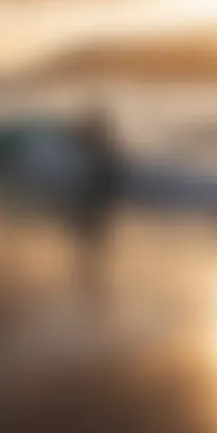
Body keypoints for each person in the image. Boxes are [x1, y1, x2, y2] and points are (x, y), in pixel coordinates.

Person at [69, 104, 125, 304]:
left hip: (99, 184)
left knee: (93, 224)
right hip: (100, 185)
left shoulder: (96, 135)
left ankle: (94, 244)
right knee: (95, 224)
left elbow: (98, 152)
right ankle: (96, 245)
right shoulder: (97, 135)